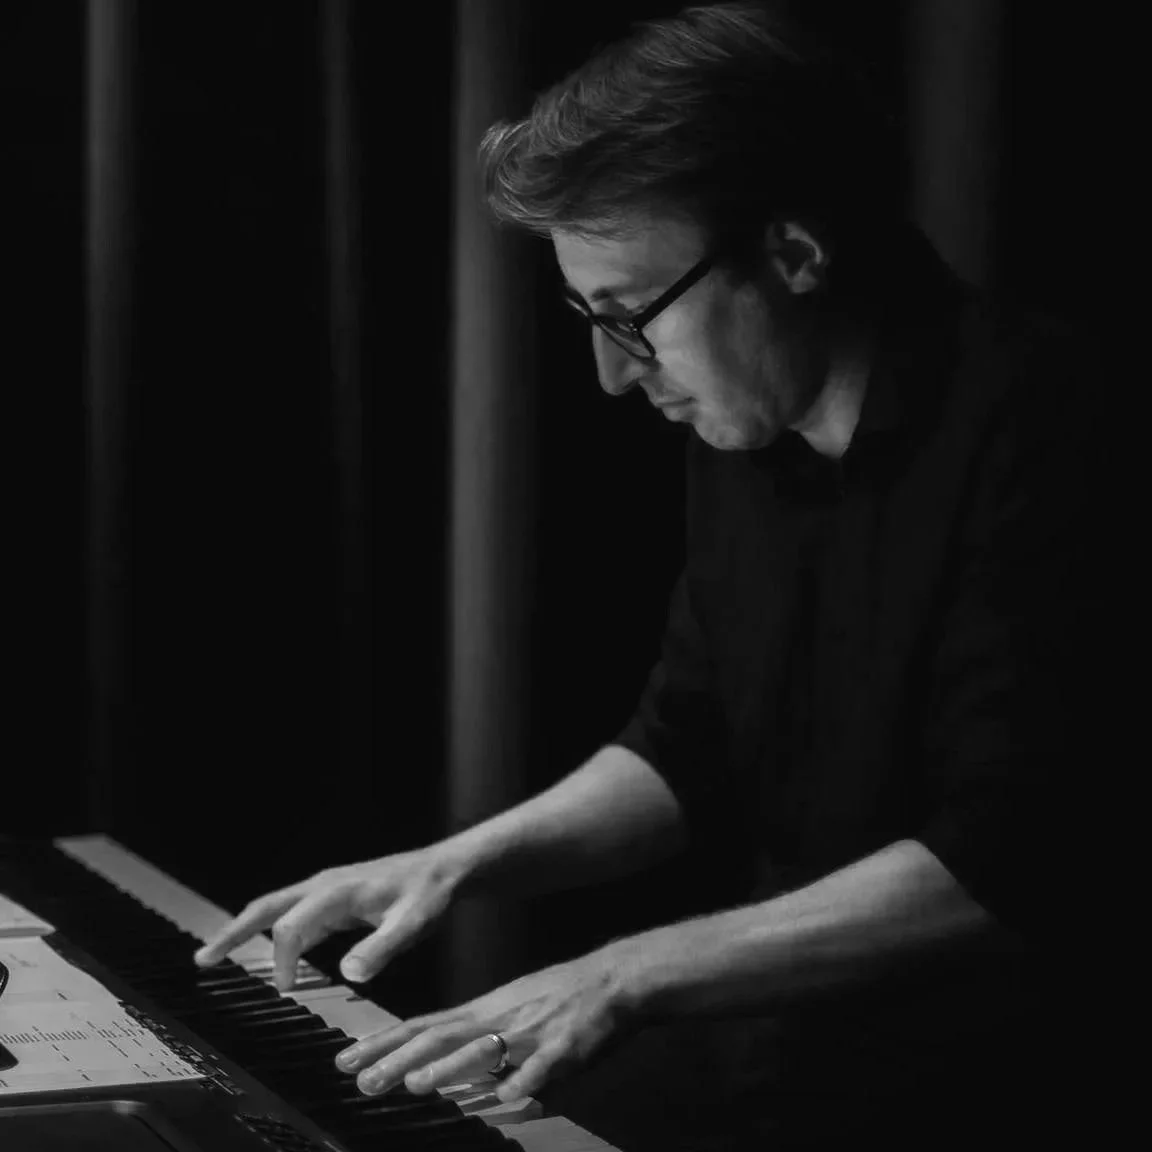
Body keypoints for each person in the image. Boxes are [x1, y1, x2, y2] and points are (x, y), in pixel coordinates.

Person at [195, 4, 1092, 1148]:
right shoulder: (743, 435)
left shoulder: (1055, 434)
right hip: (785, 1038)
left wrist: (623, 972)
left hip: (998, 1081)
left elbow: (1012, 866)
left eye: (631, 319)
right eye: (584, 317)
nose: (616, 380)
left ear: (795, 254)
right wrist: (456, 863)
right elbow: (687, 747)